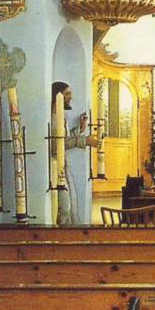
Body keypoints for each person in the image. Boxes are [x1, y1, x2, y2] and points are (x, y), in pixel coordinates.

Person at [51, 81, 96, 224]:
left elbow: (64, 138)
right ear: (56, 97)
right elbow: (57, 144)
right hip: (55, 167)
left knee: (72, 204)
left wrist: (79, 129)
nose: (70, 97)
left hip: (63, 165)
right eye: (67, 94)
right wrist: (83, 140)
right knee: (64, 207)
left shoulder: (60, 117)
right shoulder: (51, 119)